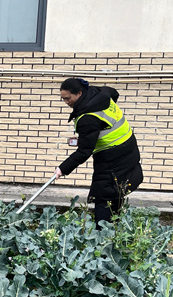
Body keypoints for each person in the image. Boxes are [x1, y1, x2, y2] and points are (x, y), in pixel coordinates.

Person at [53, 78, 143, 226]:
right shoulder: (98, 94)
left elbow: (84, 151)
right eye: (63, 99)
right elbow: (113, 93)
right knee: (116, 191)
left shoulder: (88, 117)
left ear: (79, 93)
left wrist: (62, 169)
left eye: (68, 98)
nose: (66, 102)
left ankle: (102, 235)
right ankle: (113, 226)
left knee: (104, 193)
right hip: (128, 146)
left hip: (114, 155)